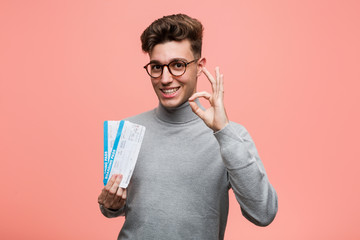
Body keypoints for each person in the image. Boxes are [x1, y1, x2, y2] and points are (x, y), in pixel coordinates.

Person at [98, 14, 278, 239]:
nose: (165, 78)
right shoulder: (128, 131)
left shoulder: (231, 136)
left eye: (177, 65)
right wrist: (111, 205)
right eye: (156, 67)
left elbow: (263, 213)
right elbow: (123, 209)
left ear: (199, 66)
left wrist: (223, 131)